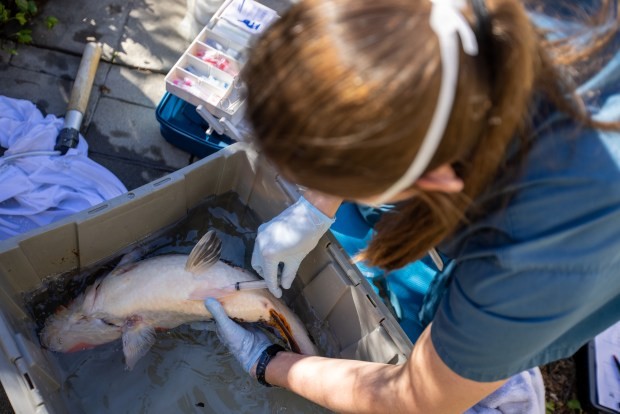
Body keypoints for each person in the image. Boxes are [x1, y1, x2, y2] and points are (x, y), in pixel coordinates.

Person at [204, 0, 620, 412]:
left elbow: (417, 397)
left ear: (438, 181)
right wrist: (315, 205)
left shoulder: (530, 258)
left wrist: (270, 364)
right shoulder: (435, 27)